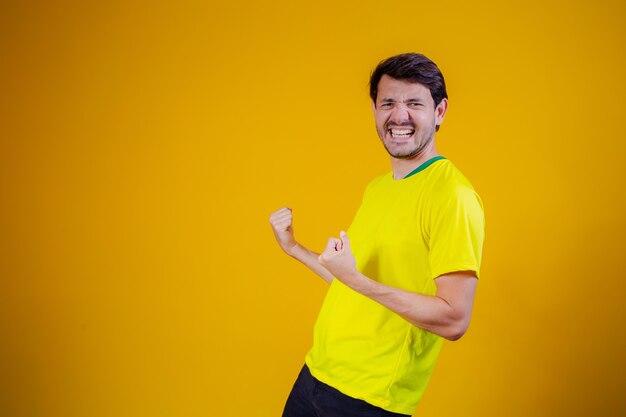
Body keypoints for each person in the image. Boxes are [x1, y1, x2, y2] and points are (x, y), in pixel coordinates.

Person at [269, 53, 485, 417]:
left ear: (440, 111)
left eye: (414, 103)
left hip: (368, 401)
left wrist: (355, 278)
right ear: (375, 110)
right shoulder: (378, 188)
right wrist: (294, 248)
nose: (399, 116)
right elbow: (352, 284)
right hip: (315, 375)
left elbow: (454, 319)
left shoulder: (453, 196)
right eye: (388, 102)